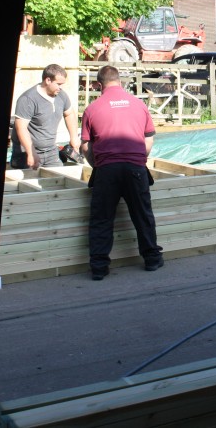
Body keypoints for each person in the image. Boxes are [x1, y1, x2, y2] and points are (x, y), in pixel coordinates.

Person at [80, 65, 163, 281]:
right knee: (143, 215)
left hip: (107, 170)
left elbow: (85, 147)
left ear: (99, 85)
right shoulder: (139, 105)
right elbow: (149, 139)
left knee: (101, 219)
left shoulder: (92, 109)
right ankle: (152, 259)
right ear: (120, 82)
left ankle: (99, 268)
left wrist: (97, 164)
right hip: (136, 169)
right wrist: (138, 160)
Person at [11, 64, 80, 169]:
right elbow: (21, 127)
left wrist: (74, 137)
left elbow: (69, 113)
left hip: (51, 152)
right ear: (48, 80)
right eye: (58, 84)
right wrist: (31, 152)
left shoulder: (62, 96)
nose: (61, 88)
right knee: (29, 183)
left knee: (59, 181)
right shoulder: (28, 99)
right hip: (26, 153)